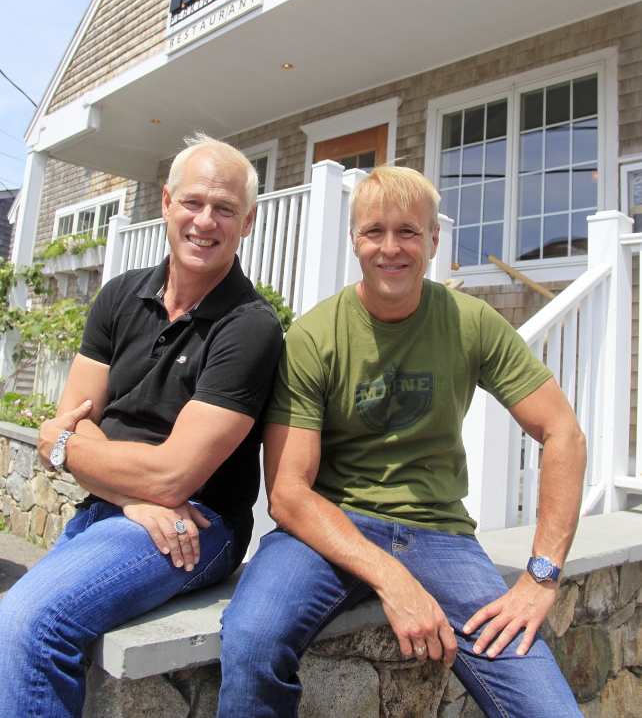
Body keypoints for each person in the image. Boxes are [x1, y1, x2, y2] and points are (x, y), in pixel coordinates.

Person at [217, 165, 586, 718]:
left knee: (549, 708)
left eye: (408, 231)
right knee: (250, 642)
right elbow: (289, 495)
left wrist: (541, 576)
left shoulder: (471, 322)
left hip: (441, 535)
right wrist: (394, 579)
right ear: (354, 241)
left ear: (434, 240)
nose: (391, 248)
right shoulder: (314, 336)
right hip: (330, 531)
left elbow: (563, 433)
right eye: (374, 232)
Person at [0, 135, 283, 718]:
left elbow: (174, 473)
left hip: (196, 528)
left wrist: (72, 450)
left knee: (28, 624)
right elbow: (63, 423)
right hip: (130, 514)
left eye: (225, 209)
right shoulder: (119, 295)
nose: (206, 221)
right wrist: (134, 497)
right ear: (166, 202)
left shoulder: (249, 327)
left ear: (248, 221)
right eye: (193, 202)